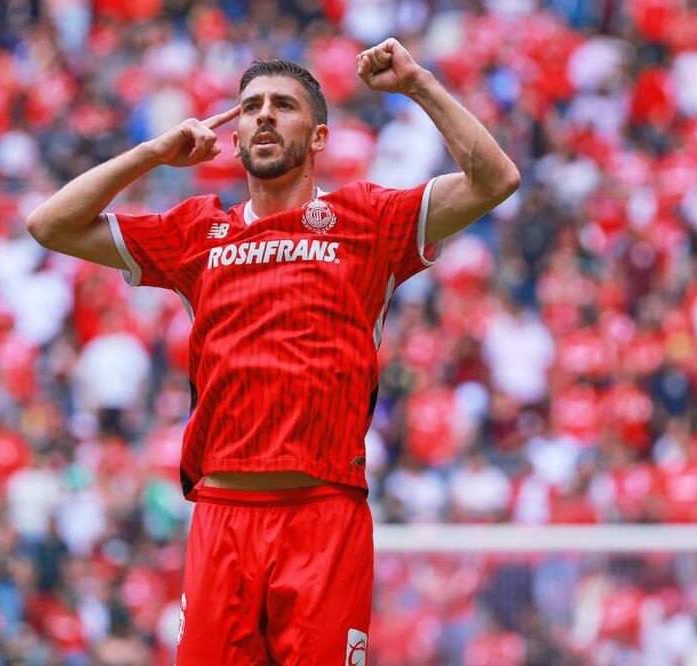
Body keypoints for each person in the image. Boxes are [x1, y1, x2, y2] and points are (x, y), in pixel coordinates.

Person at [25, 38, 519, 664]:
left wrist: (418, 83)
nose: (262, 115)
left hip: (323, 516)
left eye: (282, 106)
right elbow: (50, 225)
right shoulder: (195, 232)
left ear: (318, 137)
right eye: (250, 106)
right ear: (231, 138)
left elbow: (495, 179)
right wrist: (153, 154)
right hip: (221, 516)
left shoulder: (368, 219)